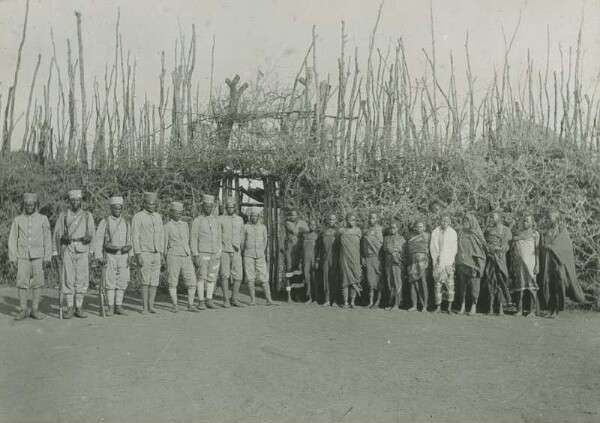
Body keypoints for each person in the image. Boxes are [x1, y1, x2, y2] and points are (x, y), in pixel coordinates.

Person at [8, 193, 52, 320]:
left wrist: (47, 257)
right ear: (24, 205)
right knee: (22, 282)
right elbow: (12, 239)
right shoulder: (18, 220)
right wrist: (13, 257)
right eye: (27, 205)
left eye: (32, 205)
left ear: (35, 205)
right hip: (22, 256)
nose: (29, 207)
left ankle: (35, 309)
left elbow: (47, 239)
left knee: (37, 283)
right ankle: (23, 309)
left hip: (38, 256)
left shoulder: (43, 219)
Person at [53, 189, 95, 319]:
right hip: (68, 249)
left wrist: (92, 251)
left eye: (78, 200)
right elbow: (56, 234)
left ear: (81, 201)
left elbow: (93, 235)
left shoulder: (87, 215)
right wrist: (56, 251)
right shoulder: (64, 215)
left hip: (83, 249)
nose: (75, 202)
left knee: (81, 279)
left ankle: (79, 307)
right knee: (68, 278)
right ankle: (69, 308)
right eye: (73, 200)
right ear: (69, 202)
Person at [539, 209, 587, 319]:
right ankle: (550, 310)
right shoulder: (547, 231)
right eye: (547, 217)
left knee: (557, 287)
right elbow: (543, 244)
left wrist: (552, 248)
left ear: (556, 219)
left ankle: (556, 311)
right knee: (549, 286)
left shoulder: (562, 232)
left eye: (550, 218)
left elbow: (565, 248)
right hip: (549, 263)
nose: (548, 219)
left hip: (559, 264)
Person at [93, 196, 133, 316]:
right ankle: (110, 306)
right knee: (110, 281)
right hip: (110, 255)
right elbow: (99, 239)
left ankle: (118, 306)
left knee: (123, 280)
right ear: (111, 208)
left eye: (119, 208)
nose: (117, 210)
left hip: (124, 255)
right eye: (115, 208)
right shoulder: (105, 222)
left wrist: (130, 254)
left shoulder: (126, 223)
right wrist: (99, 256)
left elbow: (130, 240)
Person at [132, 192, 164, 315]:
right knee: (145, 281)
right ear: (144, 203)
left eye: (154, 204)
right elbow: (135, 237)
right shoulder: (138, 217)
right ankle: (144, 307)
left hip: (156, 253)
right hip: (144, 252)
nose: (152, 206)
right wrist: (138, 254)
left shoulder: (158, 217)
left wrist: (161, 253)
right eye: (150, 204)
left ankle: (151, 306)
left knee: (154, 280)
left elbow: (161, 235)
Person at [162, 202, 196, 313]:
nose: (177, 214)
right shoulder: (167, 226)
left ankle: (190, 305)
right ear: (171, 212)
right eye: (175, 212)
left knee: (191, 280)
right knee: (173, 280)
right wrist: (164, 257)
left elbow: (188, 240)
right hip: (173, 256)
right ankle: (175, 304)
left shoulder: (185, 225)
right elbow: (164, 244)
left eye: (179, 213)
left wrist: (190, 254)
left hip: (186, 255)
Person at [190, 194, 222, 310]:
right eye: (206, 206)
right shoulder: (197, 221)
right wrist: (195, 255)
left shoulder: (216, 221)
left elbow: (219, 237)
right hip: (202, 253)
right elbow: (193, 238)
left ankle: (209, 299)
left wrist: (219, 252)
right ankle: (201, 301)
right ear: (202, 206)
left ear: (213, 207)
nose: (208, 208)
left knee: (212, 276)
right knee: (201, 276)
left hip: (214, 253)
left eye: (210, 206)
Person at [455, 214, 488, 316]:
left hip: (473, 264)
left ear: (472, 222)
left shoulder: (477, 234)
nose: (464, 223)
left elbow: (483, 250)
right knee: (462, 286)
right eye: (463, 221)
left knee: (474, 285)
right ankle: (463, 306)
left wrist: (477, 261)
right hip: (461, 263)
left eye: (467, 222)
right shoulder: (460, 233)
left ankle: (473, 306)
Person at [241, 209, 274, 305]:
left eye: (256, 216)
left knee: (264, 276)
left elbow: (265, 241)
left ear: (258, 217)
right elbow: (242, 241)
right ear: (250, 217)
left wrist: (261, 251)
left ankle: (269, 299)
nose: (254, 218)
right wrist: (244, 252)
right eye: (252, 216)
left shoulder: (263, 227)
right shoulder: (245, 227)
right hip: (248, 255)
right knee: (250, 277)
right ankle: (253, 300)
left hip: (260, 255)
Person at [483, 211, 513, 316]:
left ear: (499, 218)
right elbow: (484, 243)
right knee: (490, 282)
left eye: (493, 217)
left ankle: (500, 308)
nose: (491, 219)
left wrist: (499, 249)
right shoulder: (488, 230)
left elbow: (507, 245)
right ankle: (490, 308)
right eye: (490, 217)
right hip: (490, 259)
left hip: (501, 259)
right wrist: (488, 249)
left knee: (501, 282)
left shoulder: (506, 230)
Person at [511, 213, 539, 317]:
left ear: (532, 222)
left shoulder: (535, 234)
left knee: (532, 287)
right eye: (524, 221)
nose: (525, 222)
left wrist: (537, 265)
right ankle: (519, 310)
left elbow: (537, 250)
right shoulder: (518, 233)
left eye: (527, 221)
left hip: (531, 263)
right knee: (520, 287)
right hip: (519, 264)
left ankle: (533, 311)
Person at [218, 197, 245, 307]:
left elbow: (242, 235)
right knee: (224, 275)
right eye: (228, 207)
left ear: (235, 207)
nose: (230, 209)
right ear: (225, 207)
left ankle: (234, 298)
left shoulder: (240, 220)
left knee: (238, 275)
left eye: (232, 207)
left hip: (236, 251)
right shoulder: (220, 219)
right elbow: (218, 235)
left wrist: (239, 246)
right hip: (224, 250)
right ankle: (226, 300)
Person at [430, 215, 458, 313]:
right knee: (438, 285)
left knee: (449, 285)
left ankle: (449, 307)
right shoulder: (435, 232)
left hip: (449, 262)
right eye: (442, 221)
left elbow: (454, 249)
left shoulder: (453, 233)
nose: (444, 222)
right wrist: (437, 260)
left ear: (449, 222)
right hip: (438, 261)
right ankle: (438, 307)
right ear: (440, 221)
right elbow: (433, 247)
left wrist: (448, 262)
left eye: (446, 221)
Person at [284, 208, 308, 302]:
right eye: (291, 215)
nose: (292, 217)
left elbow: (307, 231)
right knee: (289, 272)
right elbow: (295, 231)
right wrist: (302, 227)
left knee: (297, 272)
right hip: (290, 250)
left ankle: (297, 295)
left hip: (299, 249)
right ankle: (288, 296)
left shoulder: (302, 222)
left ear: (298, 215)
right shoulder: (288, 223)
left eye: (294, 215)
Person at [339, 213, 363, 308]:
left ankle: (352, 302)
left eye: (354, 220)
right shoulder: (341, 231)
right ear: (346, 220)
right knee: (345, 279)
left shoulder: (358, 231)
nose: (353, 221)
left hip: (355, 258)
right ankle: (345, 302)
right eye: (351, 220)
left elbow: (361, 245)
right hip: (344, 257)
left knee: (355, 279)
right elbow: (338, 245)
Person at [315, 212, 339, 307]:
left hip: (335, 259)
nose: (331, 221)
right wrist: (317, 259)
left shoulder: (338, 232)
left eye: (333, 219)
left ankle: (335, 301)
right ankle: (327, 300)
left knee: (335, 279)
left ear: (335, 220)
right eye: (329, 219)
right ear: (327, 220)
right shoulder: (323, 232)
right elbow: (319, 247)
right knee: (326, 278)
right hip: (325, 258)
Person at [406, 221, 430, 312]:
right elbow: (408, 249)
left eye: (421, 227)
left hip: (423, 263)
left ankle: (424, 306)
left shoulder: (427, 236)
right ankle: (414, 305)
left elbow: (430, 249)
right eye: (417, 227)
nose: (419, 228)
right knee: (412, 283)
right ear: (415, 227)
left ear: (424, 228)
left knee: (423, 283)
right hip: (412, 262)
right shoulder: (410, 236)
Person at [361, 212, 383, 309]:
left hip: (377, 257)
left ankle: (377, 302)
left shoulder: (379, 229)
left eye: (374, 218)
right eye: (370, 218)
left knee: (378, 280)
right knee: (370, 281)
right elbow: (363, 245)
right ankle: (370, 302)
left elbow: (380, 243)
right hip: (368, 257)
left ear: (377, 219)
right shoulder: (366, 230)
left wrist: (370, 239)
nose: (371, 220)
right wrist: (363, 257)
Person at [382, 221, 405, 310]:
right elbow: (384, 248)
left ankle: (397, 304)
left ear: (398, 228)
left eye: (394, 228)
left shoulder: (401, 239)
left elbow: (403, 252)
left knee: (397, 282)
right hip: (388, 262)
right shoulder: (386, 238)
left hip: (396, 263)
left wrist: (394, 251)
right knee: (390, 282)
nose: (392, 229)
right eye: (391, 227)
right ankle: (391, 303)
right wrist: (389, 250)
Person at [301, 219, 319, 304]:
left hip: (314, 259)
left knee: (314, 278)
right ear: (308, 225)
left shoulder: (318, 236)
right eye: (311, 224)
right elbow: (302, 249)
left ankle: (316, 298)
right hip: (306, 259)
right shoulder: (304, 235)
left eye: (314, 225)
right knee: (307, 278)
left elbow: (319, 250)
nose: (312, 226)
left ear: (316, 226)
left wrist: (317, 260)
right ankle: (309, 297)